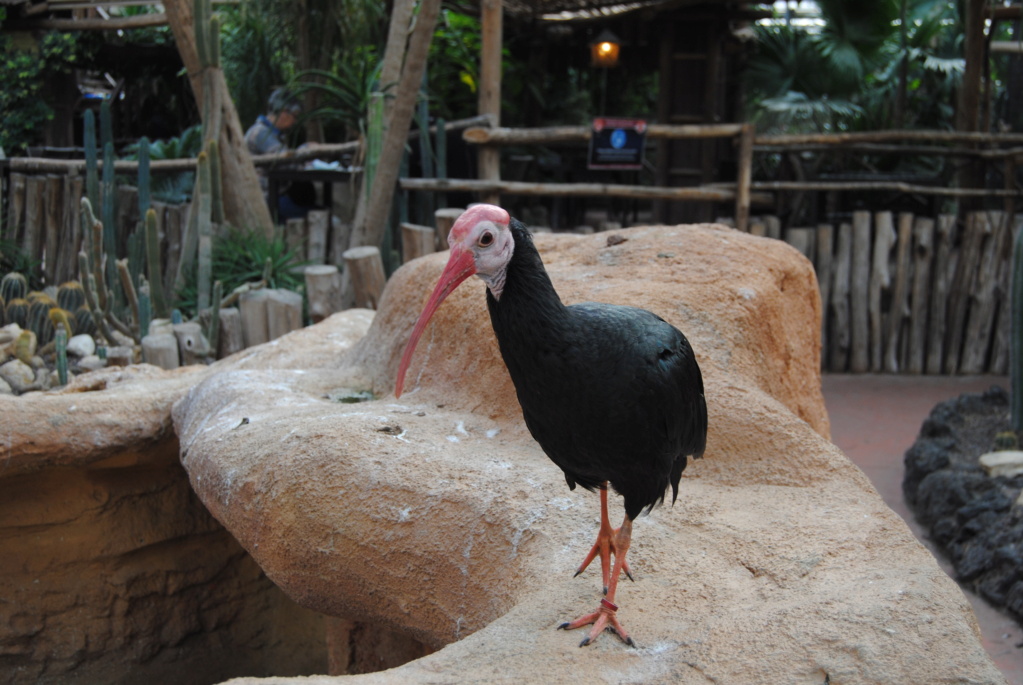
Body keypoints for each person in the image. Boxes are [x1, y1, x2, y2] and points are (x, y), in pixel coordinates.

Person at [244, 88, 315, 220]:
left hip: (273, 195)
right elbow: (286, 164)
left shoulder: (271, 134)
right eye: (294, 116)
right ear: (283, 113)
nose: (294, 121)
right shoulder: (261, 134)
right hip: (264, 199)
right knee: (317, 213)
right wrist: (306, 150)